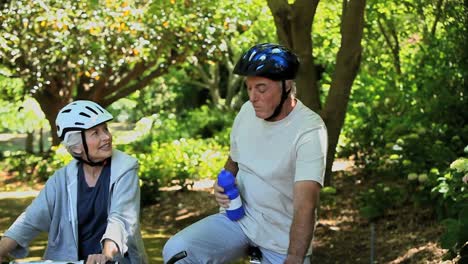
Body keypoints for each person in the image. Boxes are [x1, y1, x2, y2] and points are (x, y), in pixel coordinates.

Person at [162, 43, 328, 263]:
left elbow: (306, 205)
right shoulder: (247, 112)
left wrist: (294, 258)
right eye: (248, 88)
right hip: (238, 220)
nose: (252, 97)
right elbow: (235, 159)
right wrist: (222, 183)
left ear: (287, 85)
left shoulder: (309, 130)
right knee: (177, 251)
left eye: (261, 88)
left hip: (281, 239)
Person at [0, 100, 148, 264]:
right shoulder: (61, 179)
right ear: (77, 146)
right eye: (95, 133)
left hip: (117, 260)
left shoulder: (125, 168)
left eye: (105, 129)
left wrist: (105, 256)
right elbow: (31, 219)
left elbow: (120, 219)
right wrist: (1, 249)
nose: (107, 137)